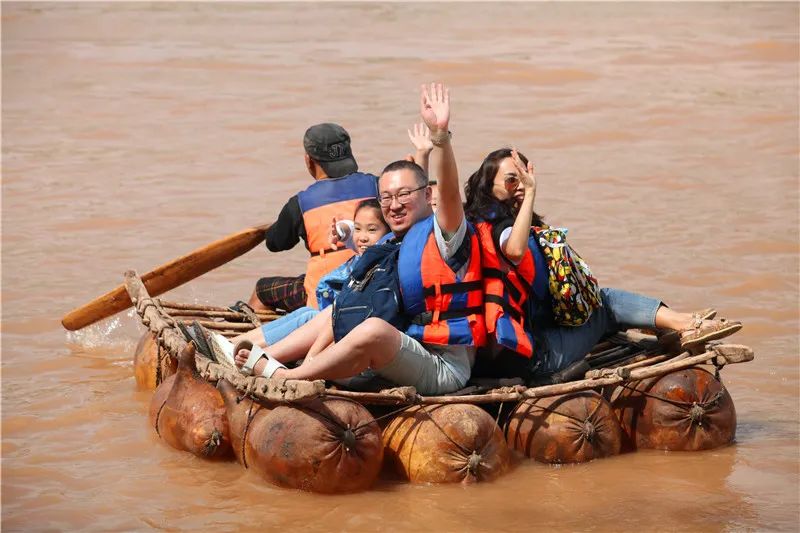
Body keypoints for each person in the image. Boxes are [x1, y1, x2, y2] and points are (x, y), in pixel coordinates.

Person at [233, 83, 486, 396]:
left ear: (428, 196)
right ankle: (266, 356)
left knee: (373, 329)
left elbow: (446, 194)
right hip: (396, 353)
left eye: (404, 195)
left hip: (440, 364)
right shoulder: (395, 240)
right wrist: (419, 157)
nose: (394, 205)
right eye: (386, 198)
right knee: (337, 308)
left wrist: (440, 138)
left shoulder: (445, 237)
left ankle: (289, 376)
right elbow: (410, 192)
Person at [464, 147, 743, 381]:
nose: (521, 186)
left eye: (525, 178)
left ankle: (670, 324)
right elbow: (514, 250)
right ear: (489, 187)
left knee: (594, 306)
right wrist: (531, 193)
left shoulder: (474, 226)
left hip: (504, 354)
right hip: (536, 358)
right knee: (604, 302)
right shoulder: (502, 228)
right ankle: (686, 323)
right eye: (511, 180)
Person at [247, 123, 379, 312]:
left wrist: (280, 226)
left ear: (308, 160)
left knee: (262, 290)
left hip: (325, 293)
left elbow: (275, 243)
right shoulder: (378, 185)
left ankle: (255, 328)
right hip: (375, 282)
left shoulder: (300, 204)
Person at [230, 199, 390, 350]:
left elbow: (275, 242)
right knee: (305, 313)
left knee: (299, 312)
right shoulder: (367, 247)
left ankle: (246, 348)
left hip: (341, 323)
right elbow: (356, 230)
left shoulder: (381, 259)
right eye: (358, 229)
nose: (363, 237)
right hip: (330, 311)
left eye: (371, 230)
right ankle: (234, 343)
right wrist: (344, 229)